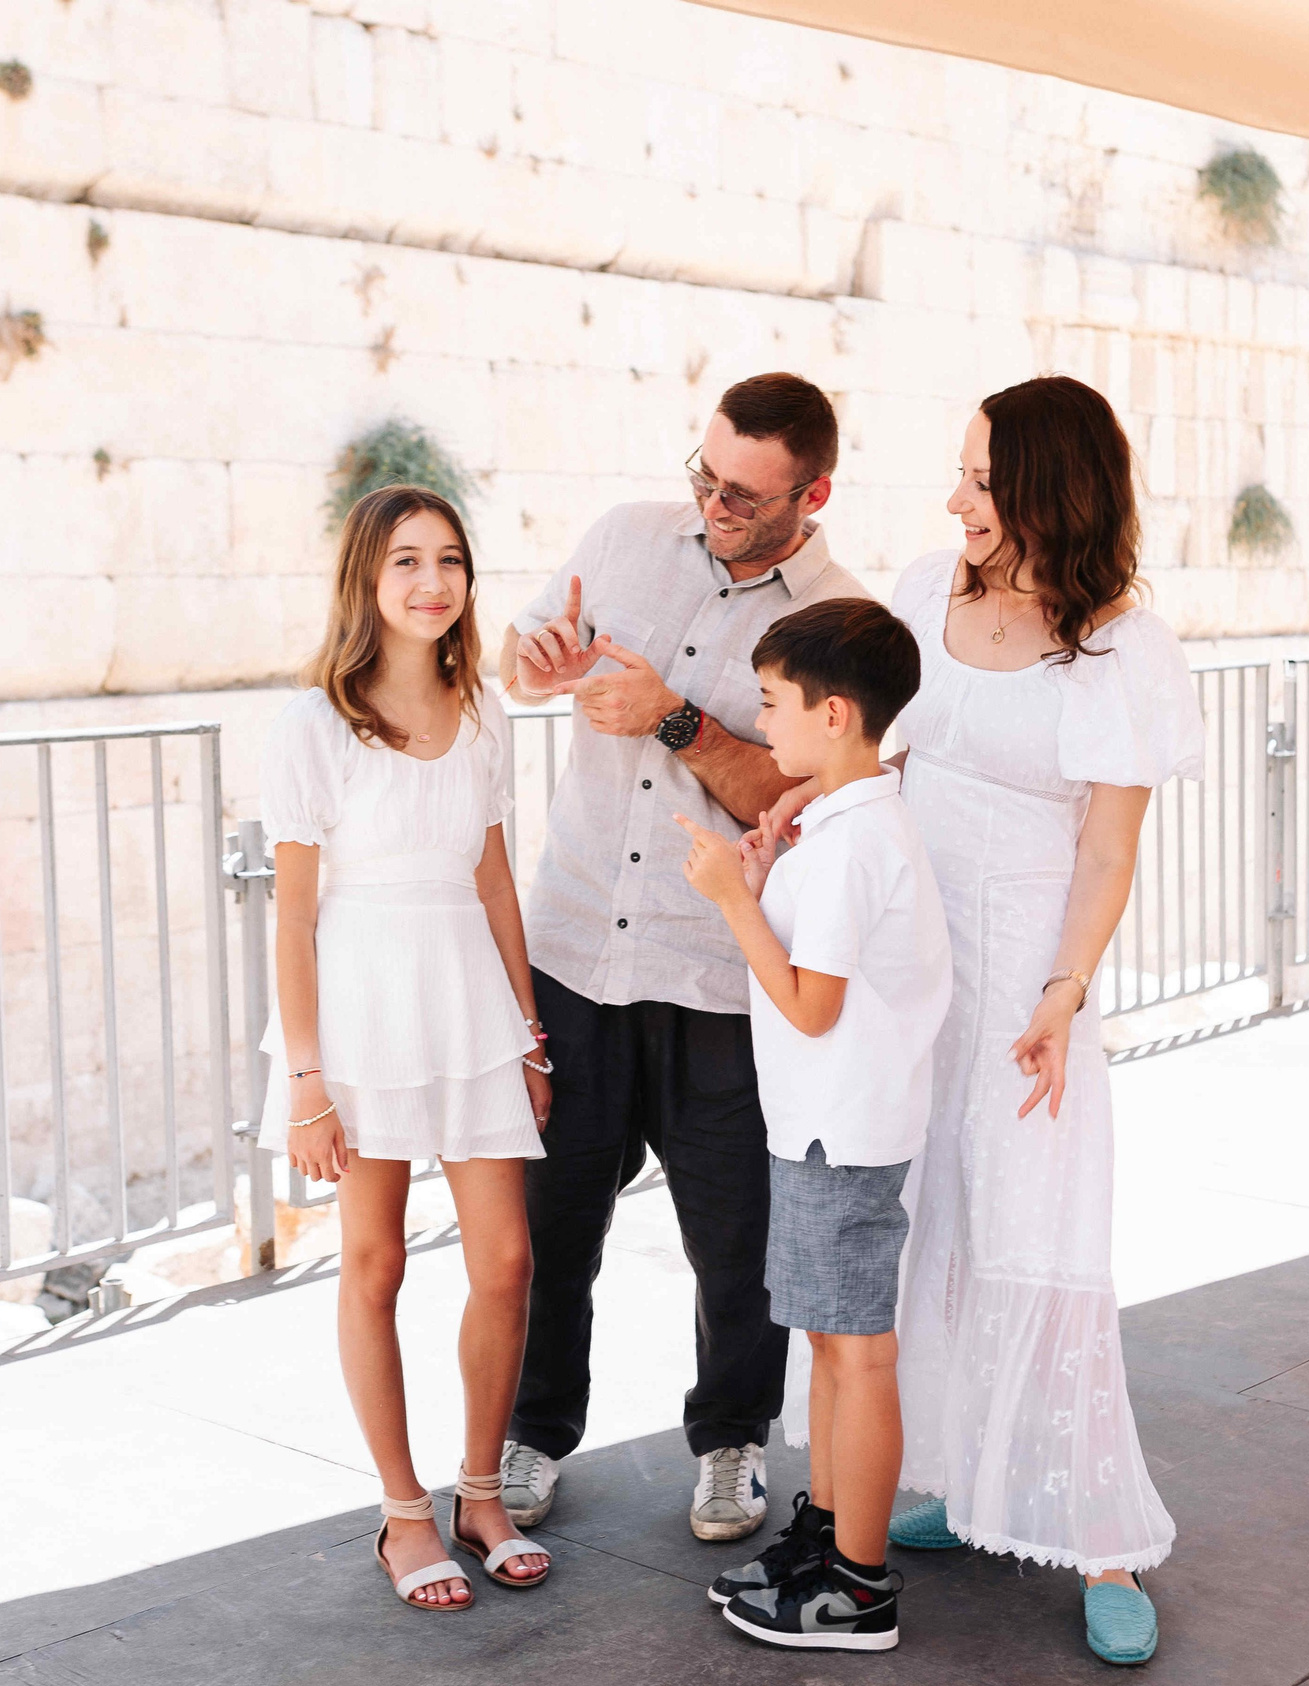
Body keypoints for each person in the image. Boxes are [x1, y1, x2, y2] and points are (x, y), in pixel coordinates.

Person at [499, 374, 872, 1543]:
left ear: (811, 495)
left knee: (735, 1240)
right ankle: (530, 1431)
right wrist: (535, 659)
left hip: (718, 975)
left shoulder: (842, 621)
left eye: (746, 495)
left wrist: (673, 717)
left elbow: (800, 802)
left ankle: (730, 1443)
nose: (715, 503)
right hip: (573, 950)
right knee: (551, 1223)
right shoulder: (621, 536)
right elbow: (517, 662)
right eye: (706, 477)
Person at [881, 376, 1204, 1665]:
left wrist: (1063, 995)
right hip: (916, 962)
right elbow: (884, 755)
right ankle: (968, 1478)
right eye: (960, 473)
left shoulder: (1125, 648)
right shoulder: (924, 592)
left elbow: (1108, 852)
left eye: (980, 478)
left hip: (1028, 974)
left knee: (1039, 1231)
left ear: (1045, 490)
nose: (955, 499)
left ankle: (1099, 1539)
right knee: (931, 1222)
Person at [259, 485, 556, 1612]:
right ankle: (402, 1513)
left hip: (470, 1000)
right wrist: (306, 1080)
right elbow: (294, 913)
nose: (433, 582)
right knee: (374, 1262)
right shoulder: (314, 724)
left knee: (506, 1262)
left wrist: (529, 1034)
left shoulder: (482, 710)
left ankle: (480, 1494)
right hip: (363, 1006)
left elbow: (495, 882)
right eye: (406, 561)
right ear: (366, 581)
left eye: (450, 560)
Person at [676, 598, 951, 1653]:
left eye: (772, 702)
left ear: (832, 714)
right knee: (834, 1347)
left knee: (856, 1353)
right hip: (825, 1125)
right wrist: (757, 880)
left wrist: (729, 899)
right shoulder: (843, 825)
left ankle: (859, 1588)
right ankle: (827, 1545)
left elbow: (811, 1005)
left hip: (840, 1130)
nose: (762, 721)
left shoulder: (849, 843)